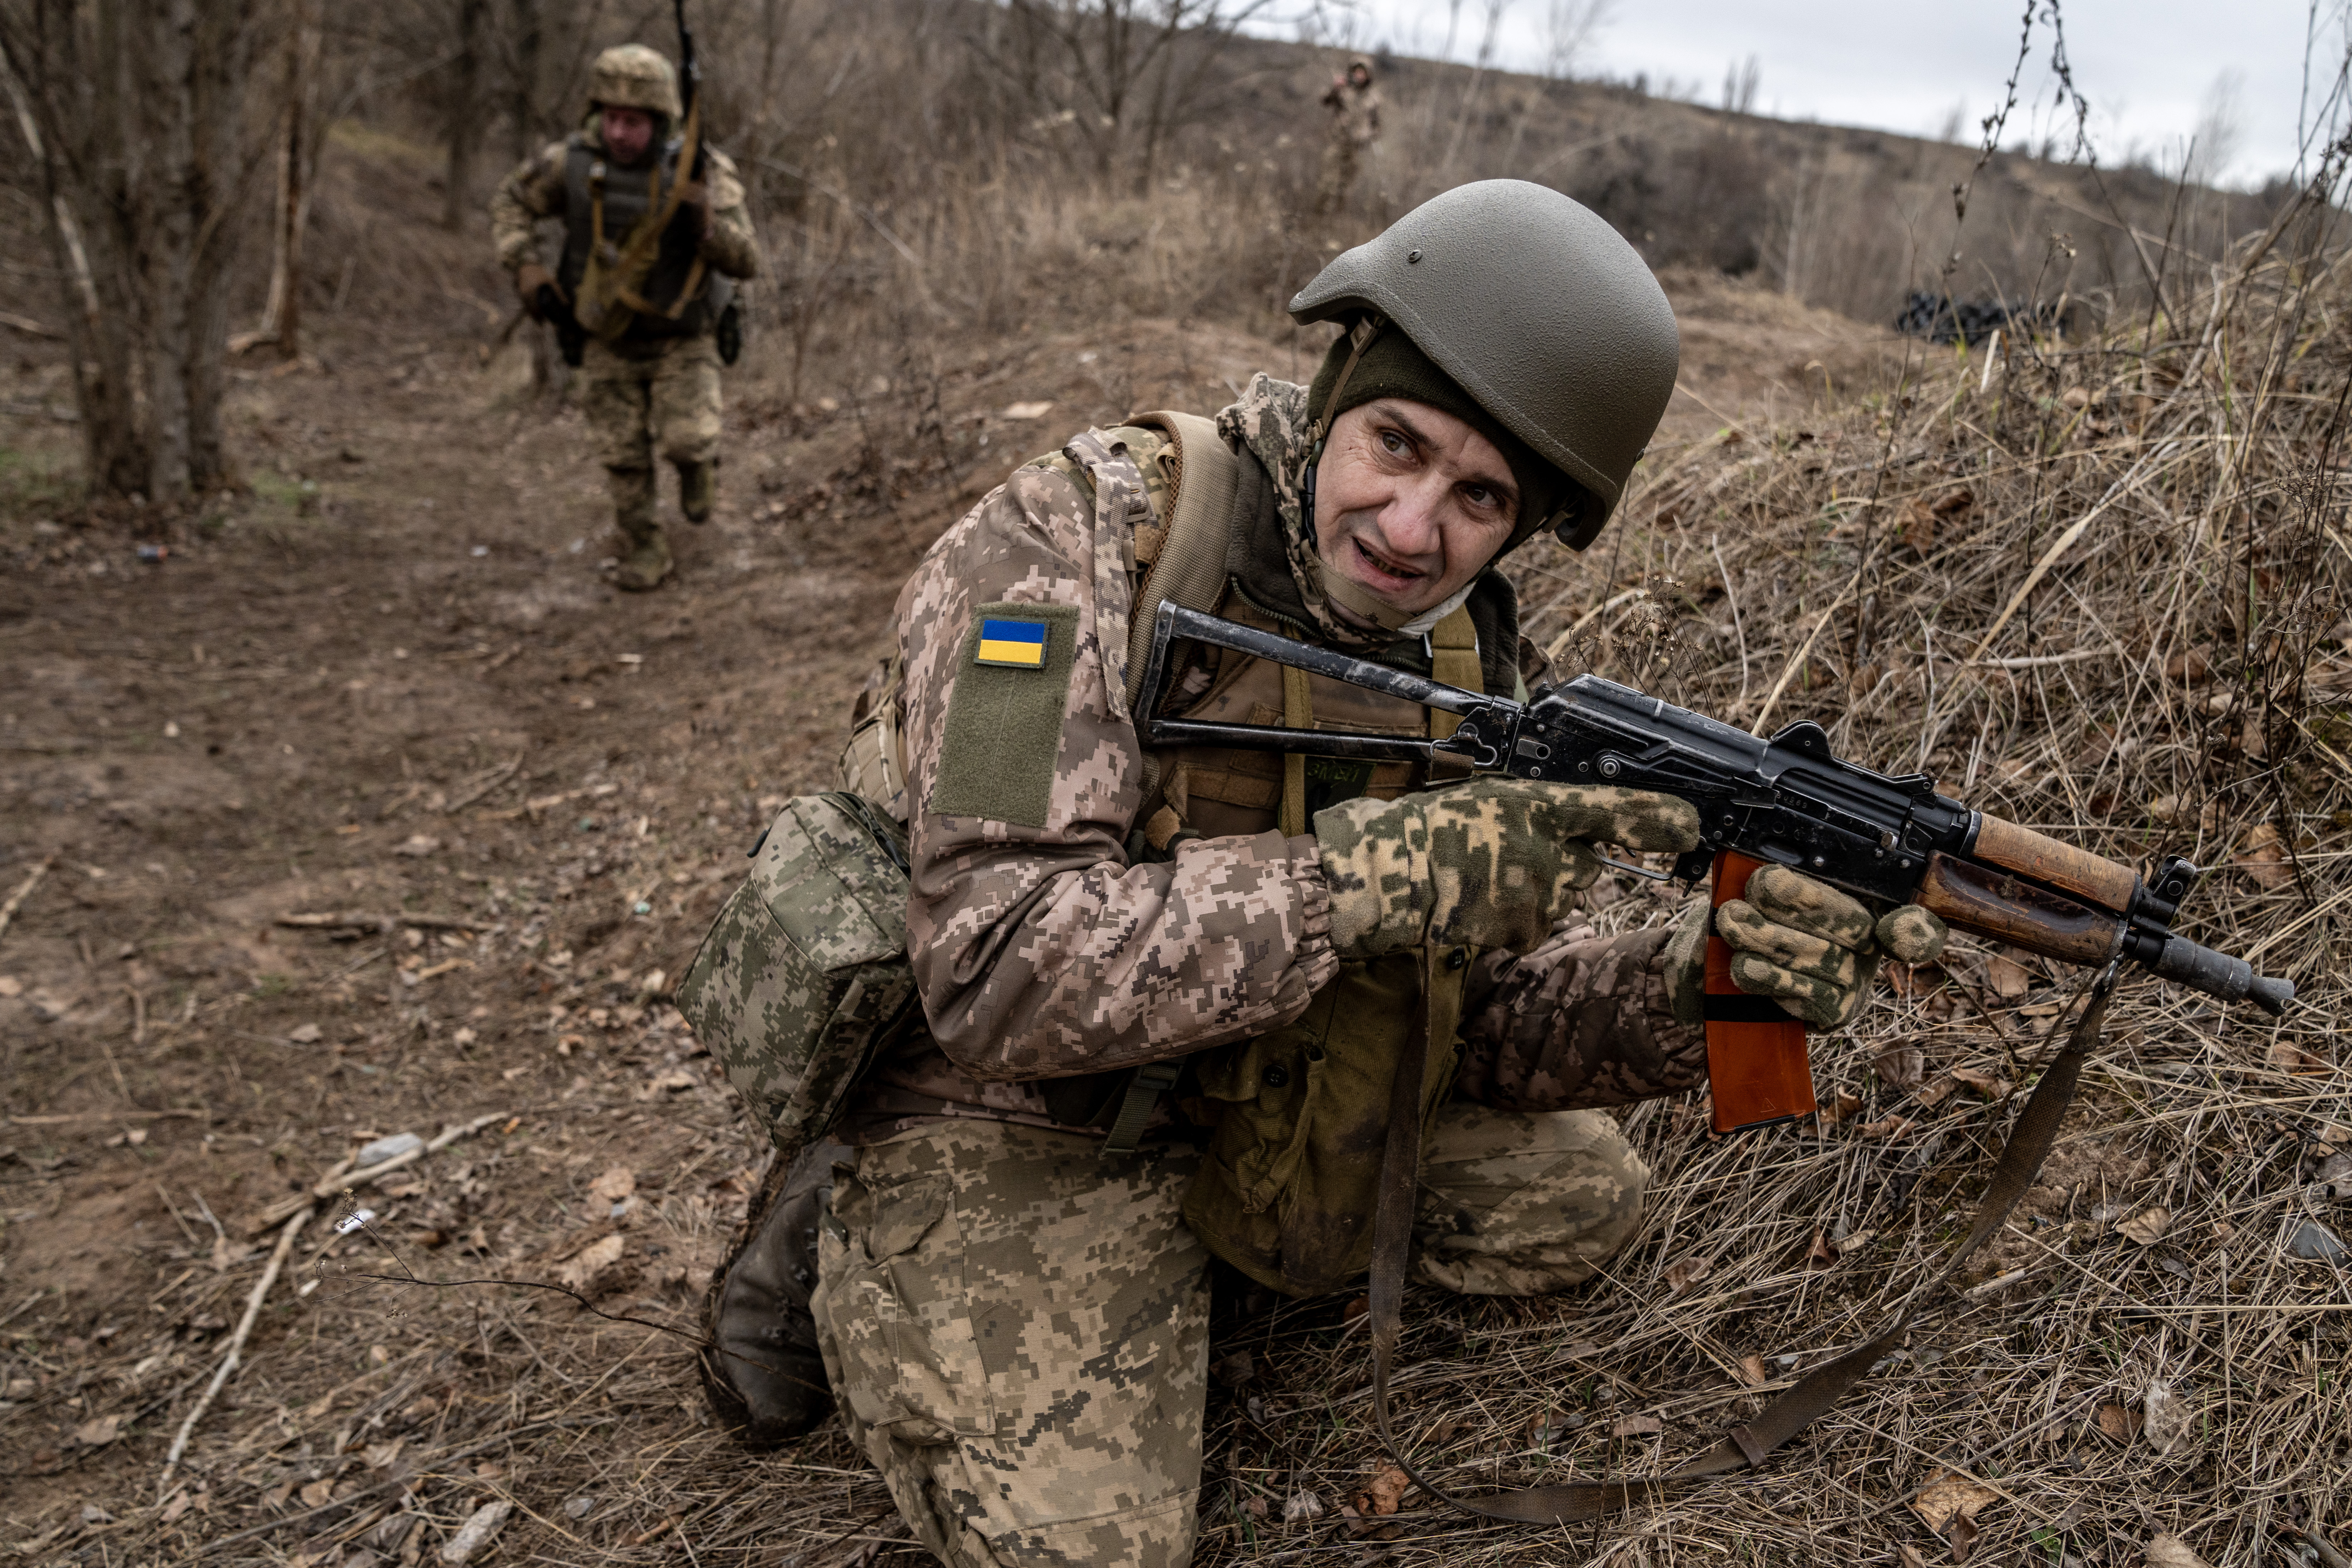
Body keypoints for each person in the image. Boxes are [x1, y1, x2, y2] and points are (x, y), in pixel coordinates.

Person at [701, 180, 1949, 1566]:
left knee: (1576, 1203)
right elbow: (994, 973)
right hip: (1007, 1098)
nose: (1410, 529)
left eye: (1477, 497)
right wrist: (1359, 884)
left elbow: (1466, 1023)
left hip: (1258, 1069)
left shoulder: (1471, 660)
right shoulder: (1056, 555)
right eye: (1393, 445)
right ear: (1334, 382)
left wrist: (1685, 989)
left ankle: (1179, 1264)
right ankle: (845, 1213)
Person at [489, 43, 761, 592]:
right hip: (604, 336)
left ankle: (696, 466)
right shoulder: (570, 163)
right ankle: (645, 548)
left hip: (684, 336)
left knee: (686, 440)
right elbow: (510, 201)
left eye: (632, 122)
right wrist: (527, 268)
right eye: (611, 118)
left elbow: (747, 261)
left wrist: (705, 223)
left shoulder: (701, 170)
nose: (618, 132)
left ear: (658, 119)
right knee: (622, 455)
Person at [1315, 55, 1382, 217]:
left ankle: (1335, 220)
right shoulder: (1343, 90)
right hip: (1338, 143)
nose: (1359, 76)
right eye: (1357, 72)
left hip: (1357, 149)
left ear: (1368, 75)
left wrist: (1369, 135)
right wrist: (1335, 88)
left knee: (1345, 187)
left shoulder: (1374, 98)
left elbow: (1378, 127)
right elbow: (1325, 101)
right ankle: (1317, 216)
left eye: (1363, 73)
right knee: (1327, 182)